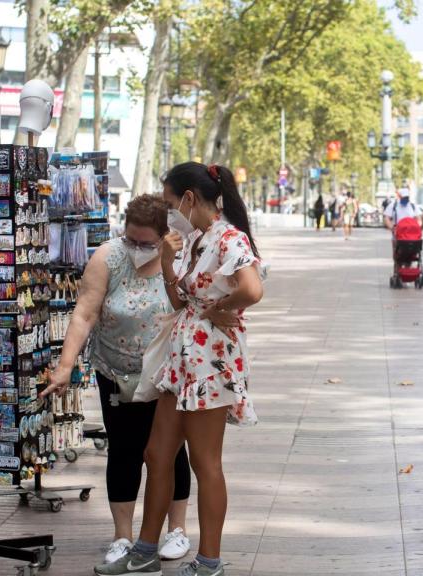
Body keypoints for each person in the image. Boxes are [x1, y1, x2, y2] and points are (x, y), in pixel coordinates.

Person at [95, 163, 264, 576]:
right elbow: (178, 301)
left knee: (205, 463)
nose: (169, 211)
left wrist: (216, 307)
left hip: (210, 363)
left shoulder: (228, 237)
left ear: (189, 198)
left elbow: (252, 289)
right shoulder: (194, 240)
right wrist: (170, 264)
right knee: (157, 453)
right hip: (182, 358)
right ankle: (146, 549)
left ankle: (209, 560)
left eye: (171, 202)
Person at [42, 194, 192, 565]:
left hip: (167, 373)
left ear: (164, 235)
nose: (138, 248)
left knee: (169, 450)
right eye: (132, 240)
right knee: (124, 450)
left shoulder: (179, 257)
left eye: (147, 243)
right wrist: (65, 365)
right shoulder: (108, 256)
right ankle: (123, 536)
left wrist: (170, 261)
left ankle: (177, 528)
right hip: (116, 372)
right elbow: (84, 313)